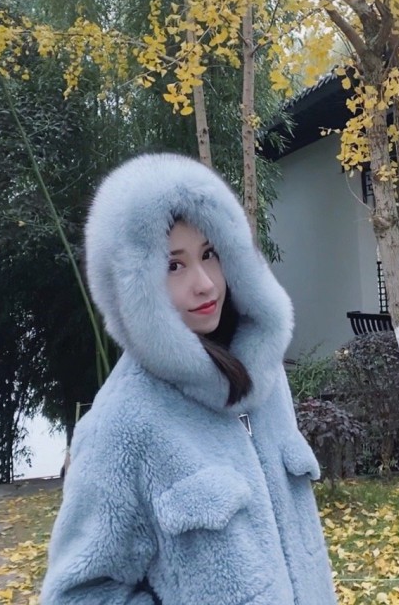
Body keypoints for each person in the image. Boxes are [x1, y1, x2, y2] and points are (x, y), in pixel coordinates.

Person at [40, 153, 338, 605]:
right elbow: (76, 595)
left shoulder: (264, 378)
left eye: (209, 254)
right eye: (173, 265)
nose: (205, 284)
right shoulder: (122, 423)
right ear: (131, 287)